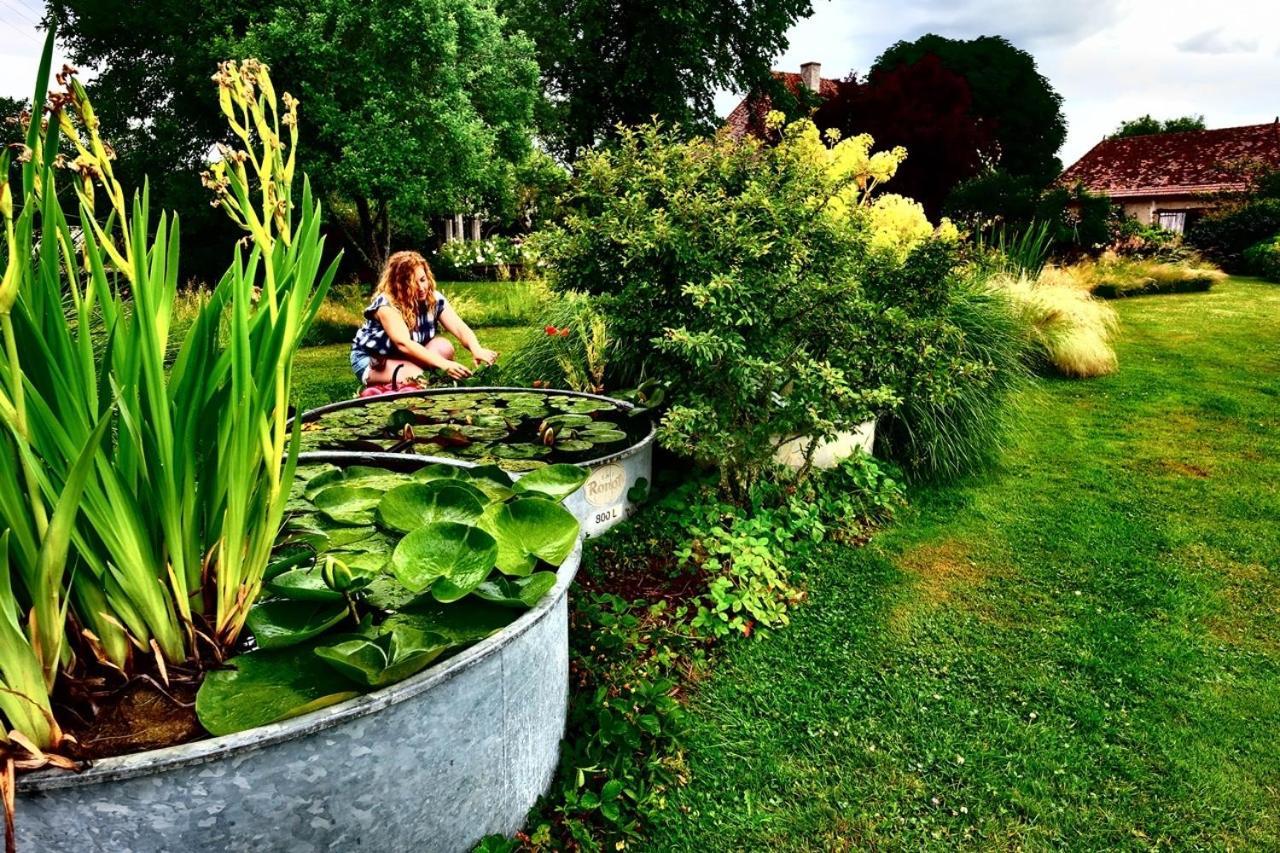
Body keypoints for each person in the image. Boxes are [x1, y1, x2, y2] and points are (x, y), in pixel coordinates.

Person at [350, 250, 498, 386]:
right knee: (417, 379)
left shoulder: (433, 298)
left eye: (422, 279)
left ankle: (414, 374)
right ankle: (400, 380)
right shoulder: (387, 305)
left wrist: (476, 348)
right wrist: (445, 365)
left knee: (444, 347)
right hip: (374, 361)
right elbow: (404, 344)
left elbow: (459, 328)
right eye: (412, 283)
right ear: (399, 285)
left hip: (403, 355)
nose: (421, 288)